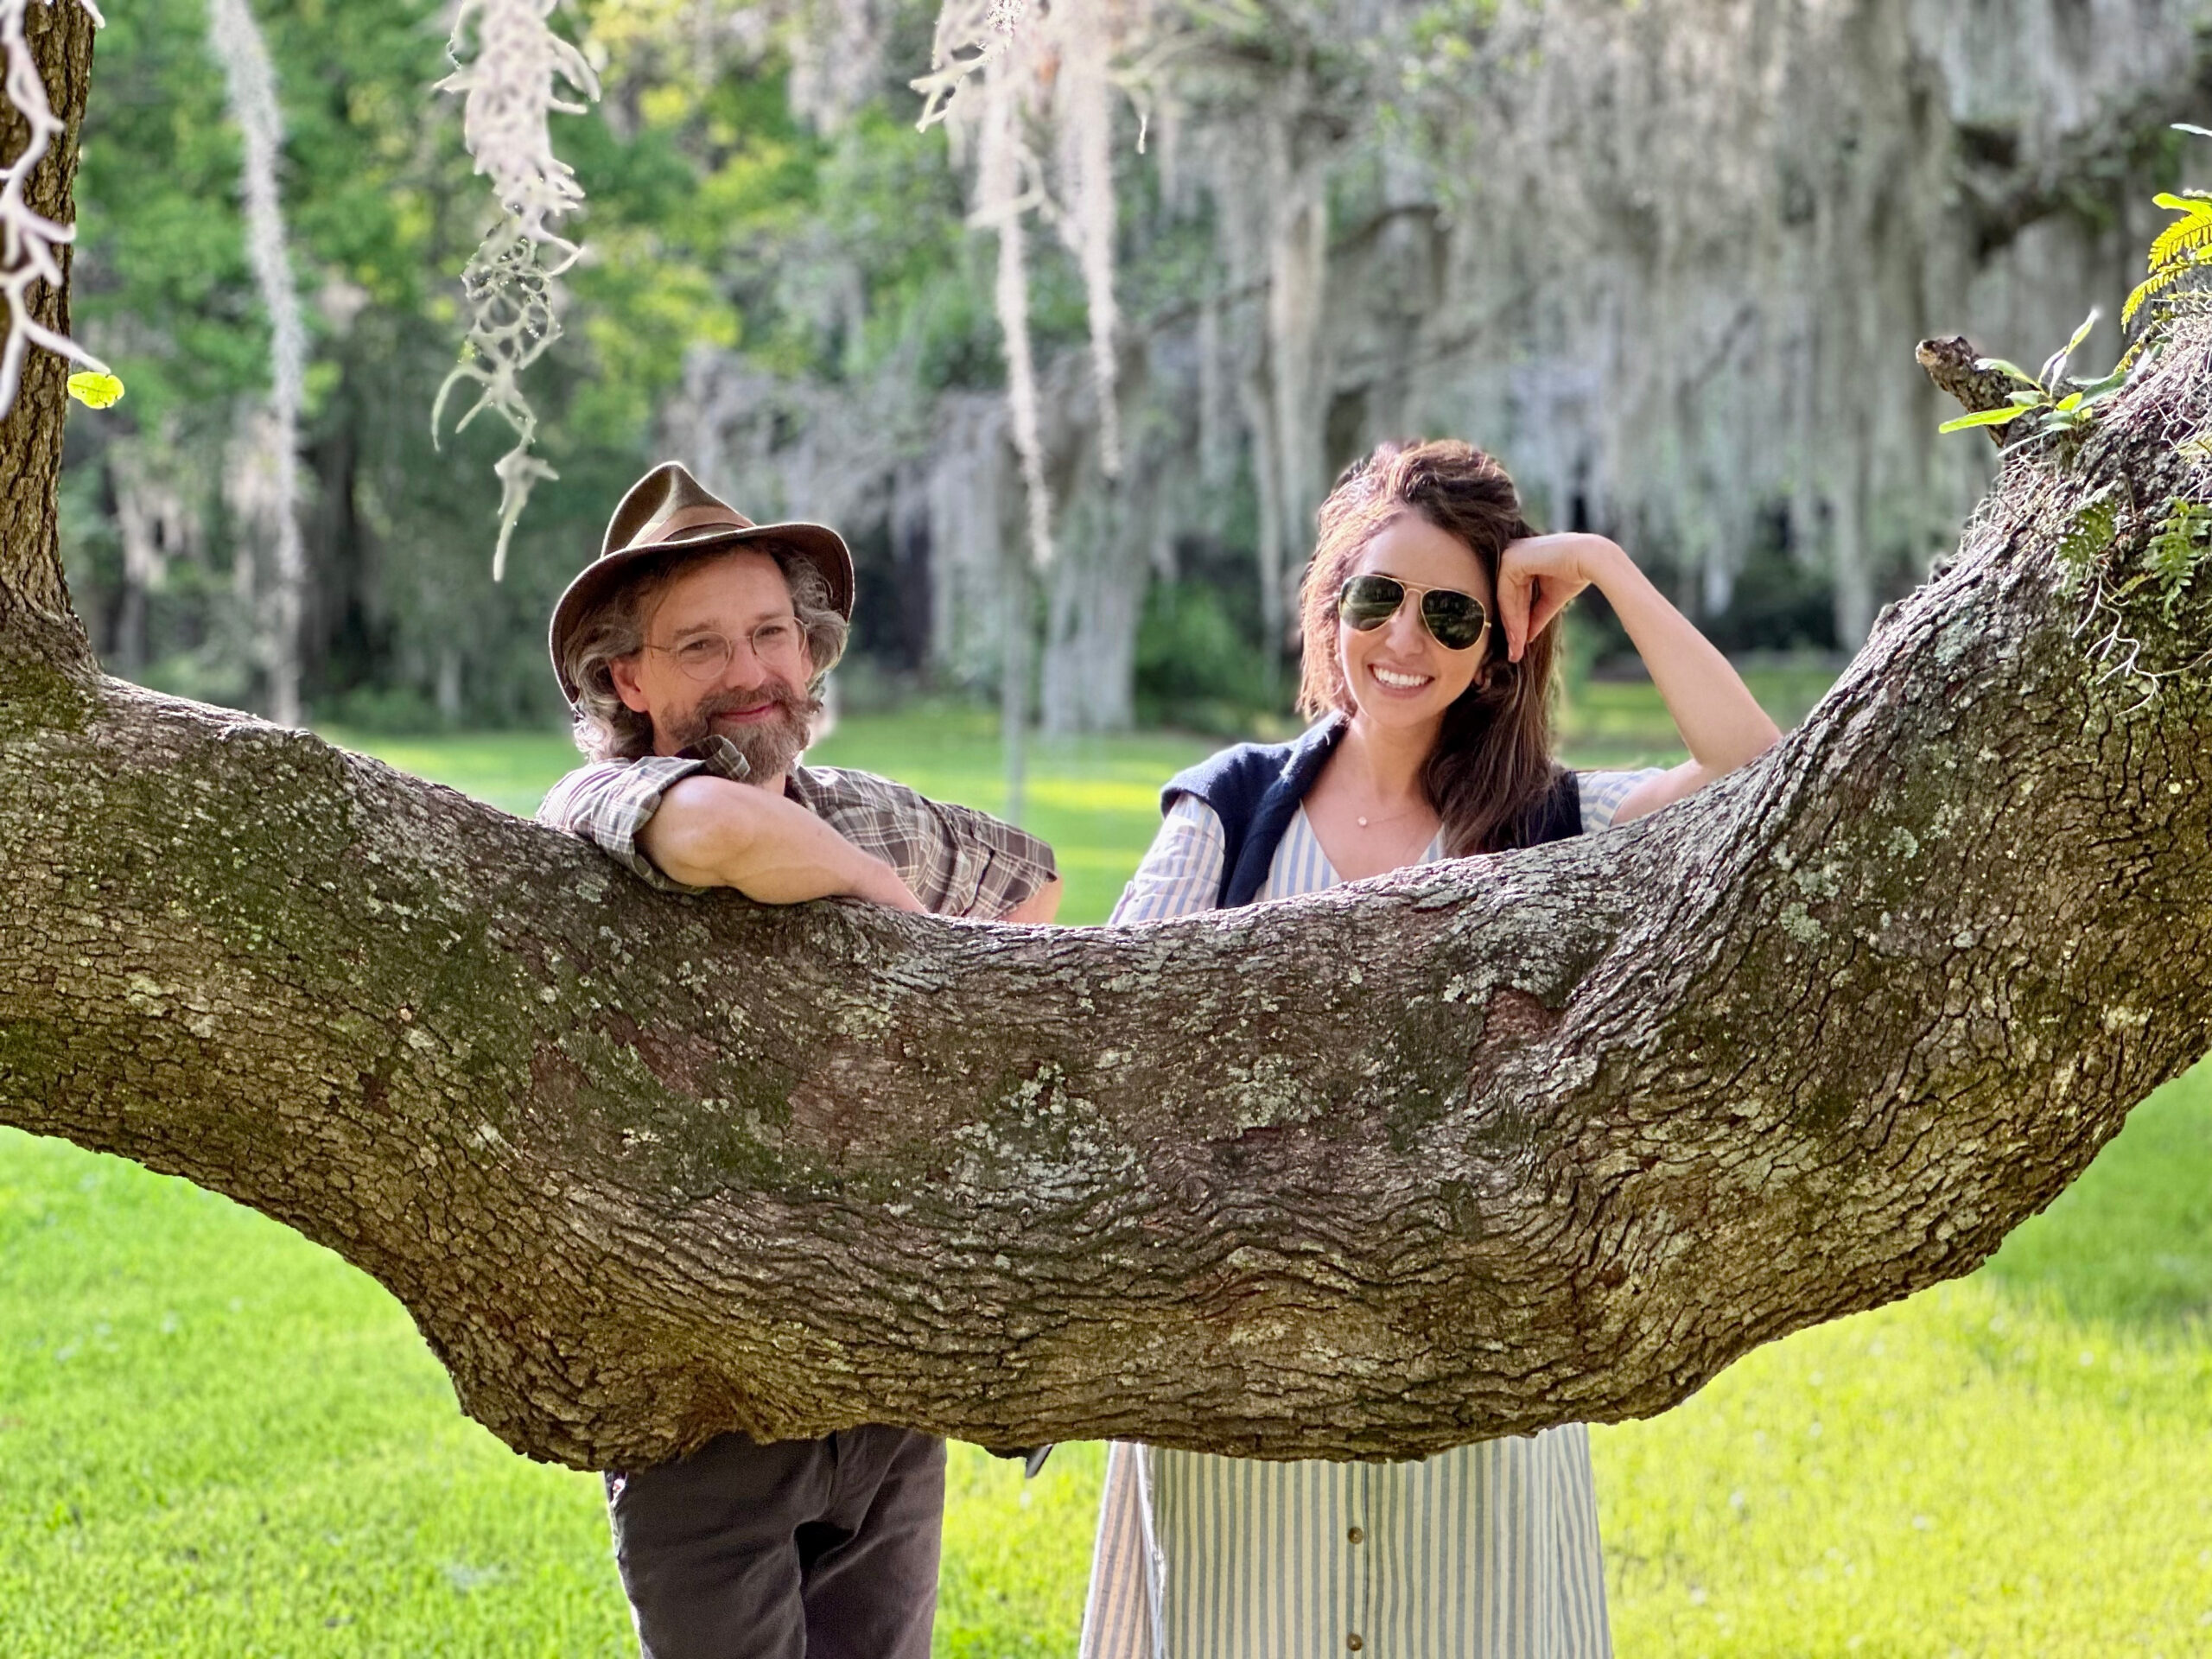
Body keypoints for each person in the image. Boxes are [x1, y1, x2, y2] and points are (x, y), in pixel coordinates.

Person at [1079, 438, 1781, 1659]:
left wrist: (1602, 566)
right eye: (1377, 598)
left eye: (1452, 613)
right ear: (1332, 606)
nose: (1405, 640)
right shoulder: (1231, 810)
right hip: (1249, 1367)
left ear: (1499, 644)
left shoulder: (1558, 827)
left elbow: (1757, 769)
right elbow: (1105, 1022)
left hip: (1474, 1367)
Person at [537, 461, 1063, 1659]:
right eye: (700, 646)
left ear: (811, 650)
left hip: (883, 1388)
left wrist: (951, 1046)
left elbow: (1035, 887)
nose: (748, 674)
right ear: (627, 678)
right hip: (700, 1400)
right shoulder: (601, 808)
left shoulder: (866, 806)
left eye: (770, 632)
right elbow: (719, 832)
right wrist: (898, 923)